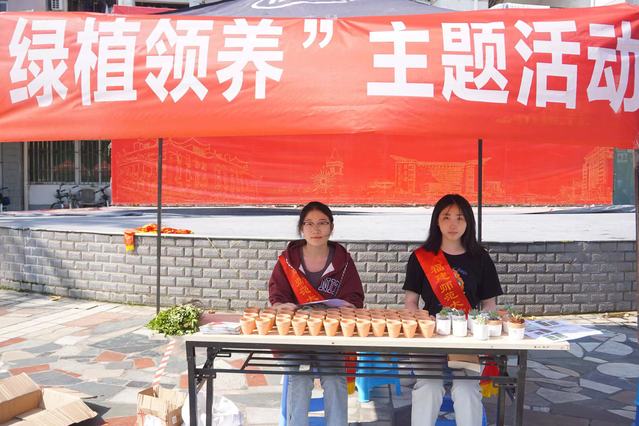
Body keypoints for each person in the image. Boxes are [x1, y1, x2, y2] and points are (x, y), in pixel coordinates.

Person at [403, 194, 503, 426]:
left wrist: (482, 329)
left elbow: (489, 304)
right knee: (429, 385)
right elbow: (410, 302)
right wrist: (420, 321)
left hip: (466, 338)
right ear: (436, 221)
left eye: (460, 218)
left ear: (468, 222)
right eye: (446, 217)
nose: (453, 224)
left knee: (467, 389)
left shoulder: (481, 258)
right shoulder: (420, 257)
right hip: (430, 337)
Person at [268, 201, 364, 426]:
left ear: (331, 227)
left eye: (322, 223)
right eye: (309, 223)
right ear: (301, 228)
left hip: (329, 337)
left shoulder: (343, 261)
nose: (316, 229)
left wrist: (348, 306)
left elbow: (355, 297)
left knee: (335, 379)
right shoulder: (287, 261)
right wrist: (280, 305)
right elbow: (277, 295)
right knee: (300, 380)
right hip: (297, 337)